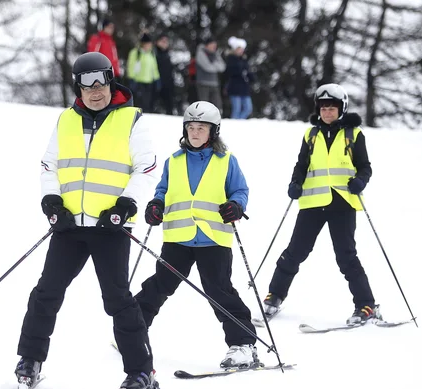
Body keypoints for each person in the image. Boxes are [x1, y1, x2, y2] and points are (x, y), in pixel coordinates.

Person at [14, 52, 161, 389]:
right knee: (46, 293)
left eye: (100, 81)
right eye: (86, 82)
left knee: (118, 300)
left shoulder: (131, 120)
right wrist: (51, 202)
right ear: (78, 86)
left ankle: (142, 373)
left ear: (110, 80)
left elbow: (147, 168)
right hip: (70, 227)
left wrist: (126, 205)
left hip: (109, 227)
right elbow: (49, 165)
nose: (95, 89)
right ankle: (30, 361)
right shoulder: (66, 120)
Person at [134, 101, 260, 369]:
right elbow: (163, 191)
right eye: (191, 127)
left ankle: (243, 344)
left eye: (201, 128)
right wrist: (156, 206)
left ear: (213, 131)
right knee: (160, 285)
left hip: (213, 238)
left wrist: (236, 206)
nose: (195, 132)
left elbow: (240, 191)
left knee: (219, 291)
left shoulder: (226, 161)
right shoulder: (174, 161)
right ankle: (132, 329)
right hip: (178, 237)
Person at [262, 84, 379, 325]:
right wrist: (295, 182)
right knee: (294, 252)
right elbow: (301, 165)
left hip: (342, 202)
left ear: (341, 109)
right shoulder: (310, 135)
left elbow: (365, 167)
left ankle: (366, 305)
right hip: (313, 203)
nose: (327, 112)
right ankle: (274, 296)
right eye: (323, 108)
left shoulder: (353, 134)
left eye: (332, 108)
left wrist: (360, 181)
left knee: (346, 256)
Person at [127, 33, 160, 113]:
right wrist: (131, 79)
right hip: (138, 82)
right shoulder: (135, 53)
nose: (149, 45)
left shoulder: (151, 54)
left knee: (147, 104)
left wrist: (157, 79)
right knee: (140, 104)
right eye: (148, 43)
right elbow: (131, 66)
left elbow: (154, 68)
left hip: (149, 82)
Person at [226, 36, 255, 119]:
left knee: (248, 108)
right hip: (234, 87)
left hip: (244, 87)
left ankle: (240, 122)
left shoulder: (244, 59)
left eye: (242, 49)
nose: (241, 51)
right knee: (237, 109)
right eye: (239, 49)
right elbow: (230, 72)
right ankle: (235, 124)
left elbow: (248, 71)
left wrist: (252, 78)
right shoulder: (231, 59)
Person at [195, 37, 226, 111]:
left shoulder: (215, 54)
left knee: (217, 104)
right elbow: (207, 67)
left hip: (214, 83)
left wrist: (214, 65)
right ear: (207, 45)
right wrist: (216, 66)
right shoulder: (201, 53)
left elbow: (223, 67)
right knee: (203, 104)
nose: (214, 47)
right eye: (212, 45)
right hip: (203, 82)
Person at [155, 34, 176, 115]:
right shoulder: (154, 53)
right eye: (162, 41)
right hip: (157, 82)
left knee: (169, 105)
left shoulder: (169, 54)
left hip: (168, 82)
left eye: (166, 41)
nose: (164, 43)